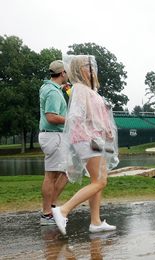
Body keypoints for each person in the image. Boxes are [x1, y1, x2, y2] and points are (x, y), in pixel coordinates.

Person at [51, 55, 119, 235]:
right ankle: (63, 210)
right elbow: (77, 117)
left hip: (96, 140)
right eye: (88, 66)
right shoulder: (80, 89)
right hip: (88, 140)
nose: (92, 69)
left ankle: (95, 222)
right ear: (80, 69)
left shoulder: (90, 90)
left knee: (98, 180)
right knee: (100, 181)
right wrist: (93, 134)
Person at [38, 60, 69, 225]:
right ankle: (47, 213)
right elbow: (51, 117)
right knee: (51, 175)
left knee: (66, 172)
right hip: (53, 136)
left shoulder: (49, 87)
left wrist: (63, 89)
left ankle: (51, 208)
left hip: (54, 136)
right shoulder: (53, 93)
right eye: (67, 72)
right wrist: (71, 120)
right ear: (62, 73)